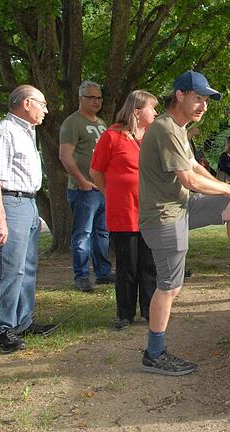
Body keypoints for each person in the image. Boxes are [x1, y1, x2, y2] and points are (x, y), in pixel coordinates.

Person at [138, 71, 230, 375]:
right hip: (164, 217)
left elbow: (193, 166)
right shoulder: (165, 128)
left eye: (206, 100)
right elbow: (189, 179)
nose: (204, 106)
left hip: (182, 206)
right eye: (198, 98)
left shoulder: (178, 128)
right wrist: (229, 187)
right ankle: (154, 353)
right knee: (169, 287)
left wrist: (228, 188)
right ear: (179, 95)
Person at [0, 85, 56, 354]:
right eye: (43, 104)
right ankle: (3, 328)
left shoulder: (26, 132)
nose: (46, 110)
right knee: (11, 268)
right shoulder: (4, 131)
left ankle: (23, 321)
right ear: (27, 103)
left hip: (28, 202)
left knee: (28, 267)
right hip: (11, 202)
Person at [90, 90, 159, 330]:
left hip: (150, 211)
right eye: (153, 108)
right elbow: (96, 171)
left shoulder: (152, 136)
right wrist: (110, 194)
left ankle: (151, 312)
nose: (156, 112)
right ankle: (125, 314)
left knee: (150, 264)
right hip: (124, 212)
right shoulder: (112, 136)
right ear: (137, 111)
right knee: (127, 265)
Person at [59, 80, 111, 292]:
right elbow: (65, 155)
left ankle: (103, 273)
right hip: (83, 190)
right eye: (91, 97)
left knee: (103, 233)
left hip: (102, 189)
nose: (96, 101)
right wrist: (82, 181)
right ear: (81, 99)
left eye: (99, 97)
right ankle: (81, 275)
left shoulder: (101, 123)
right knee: (83, 233)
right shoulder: (72, 123)